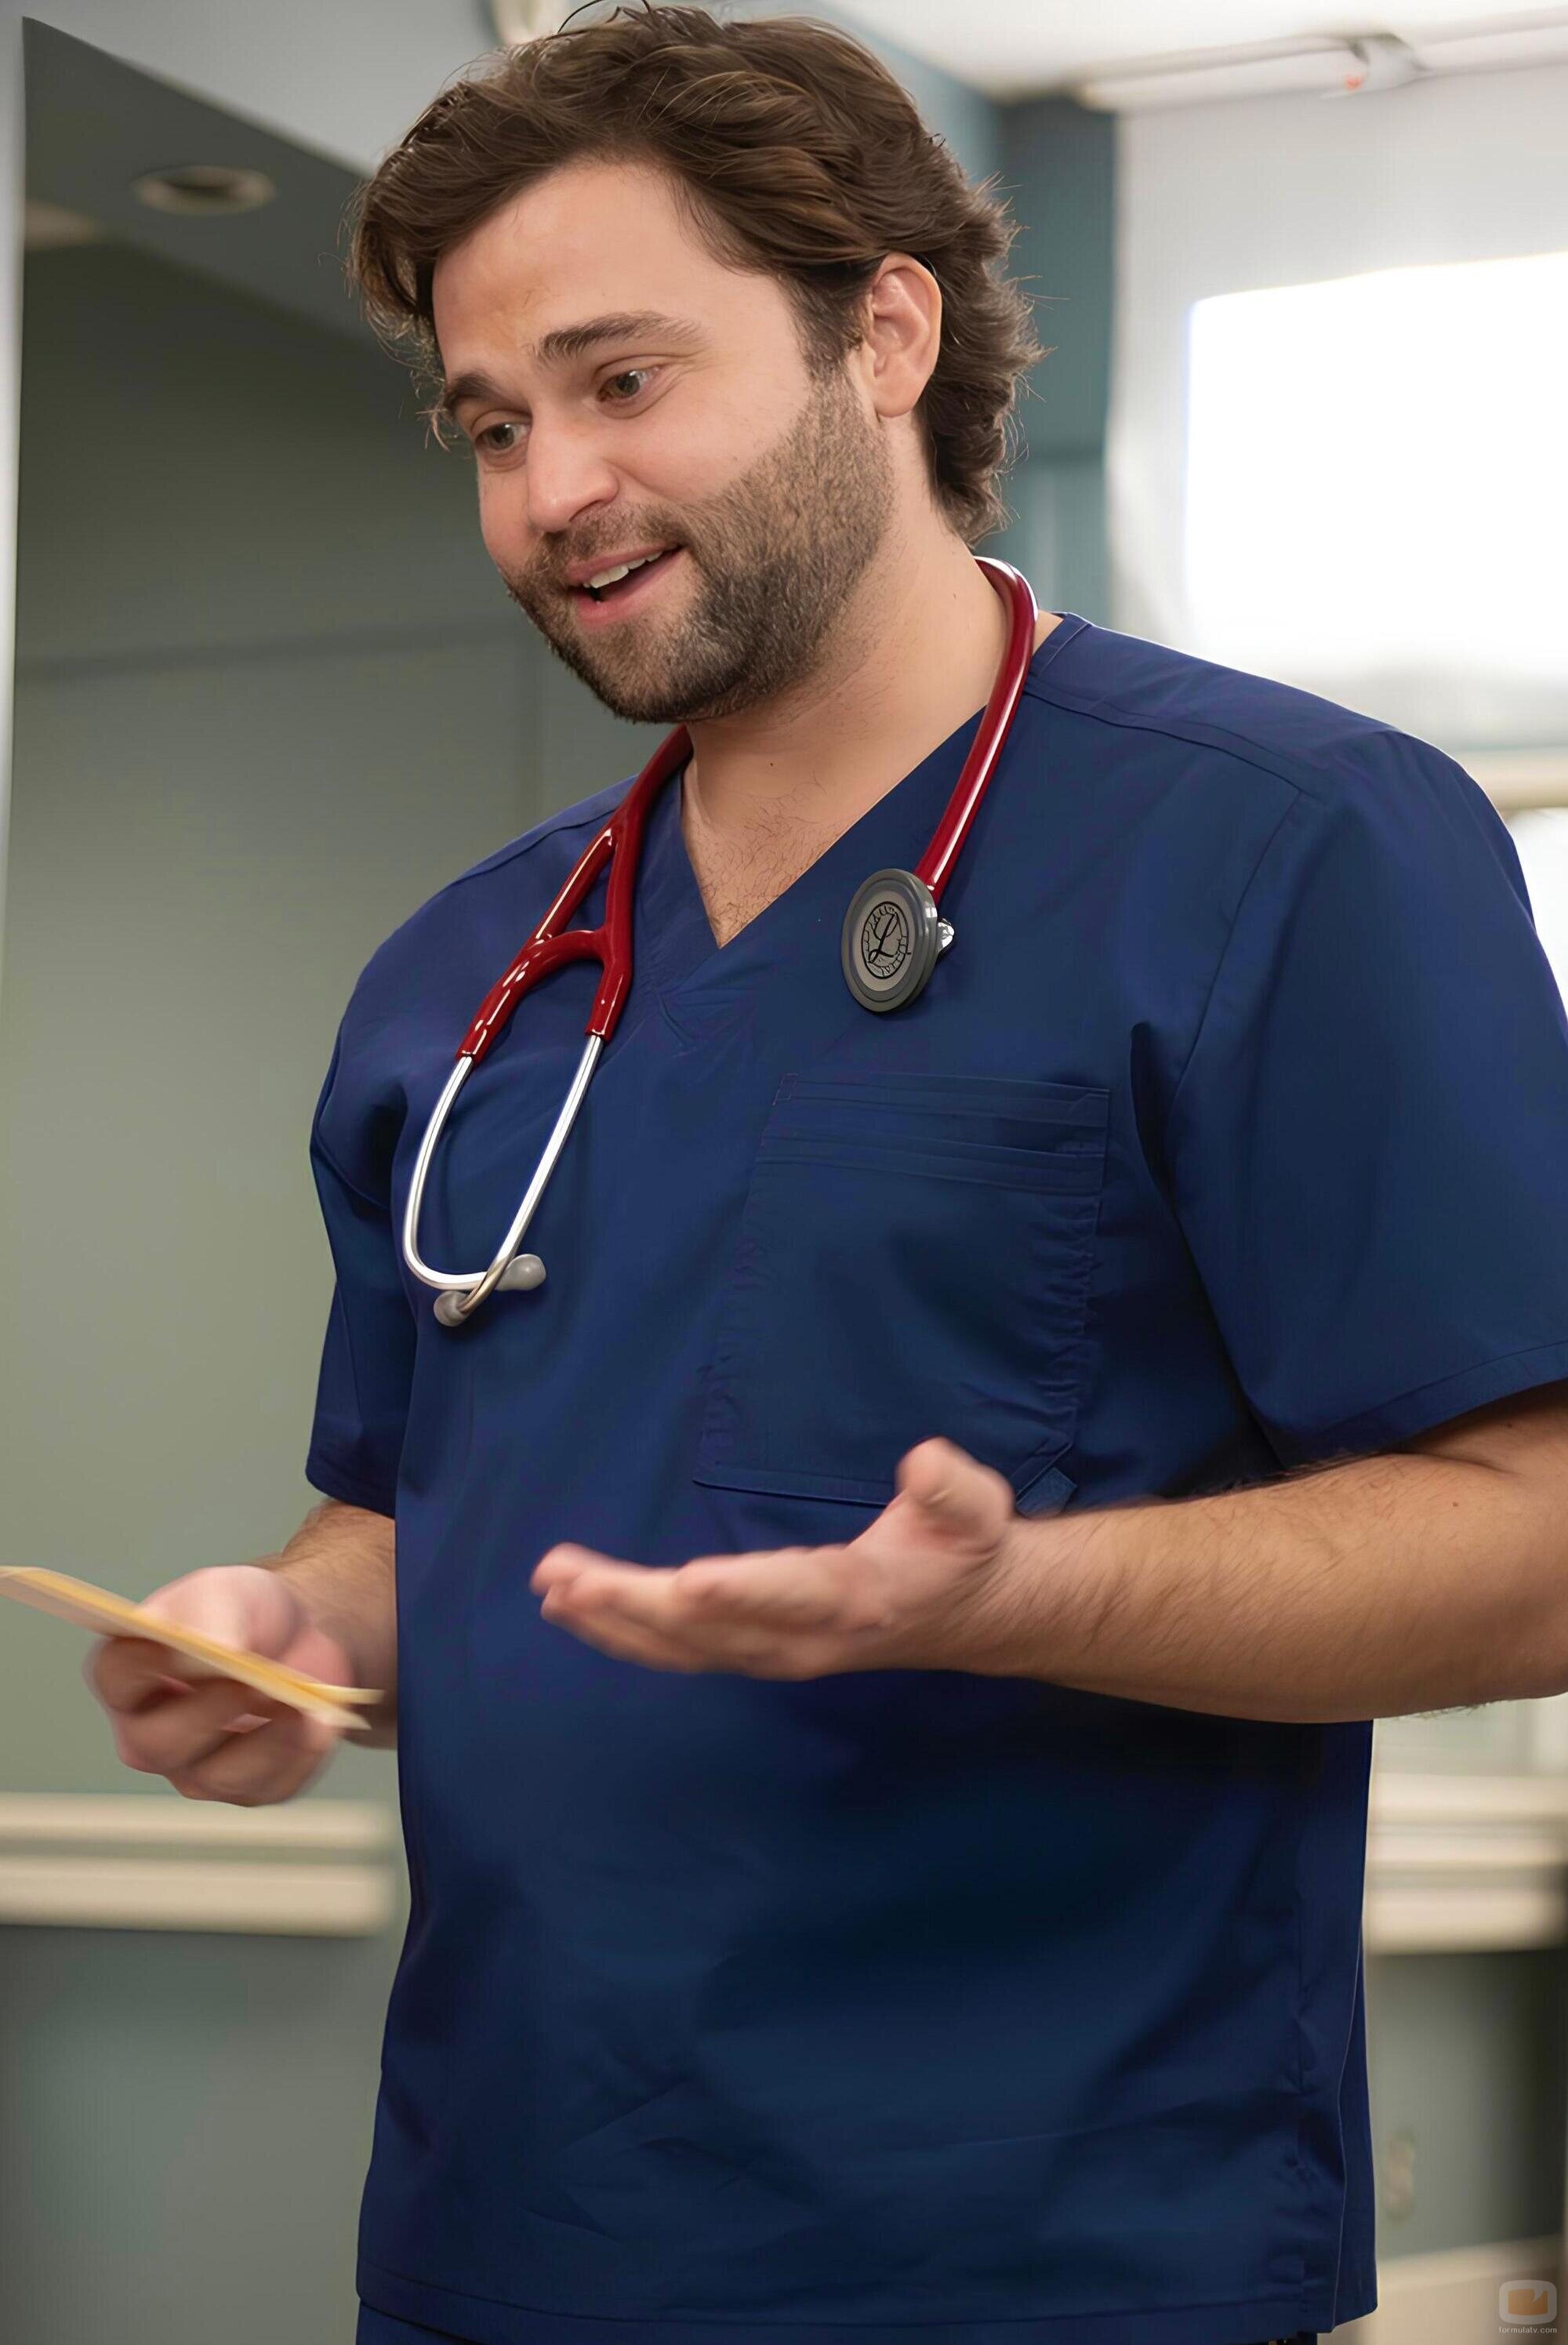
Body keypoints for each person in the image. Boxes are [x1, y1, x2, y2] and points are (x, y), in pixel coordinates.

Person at [84, 9, 1568, 2344]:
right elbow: (403, 1513)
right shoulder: (468, 976)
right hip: (500, 2247)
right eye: (493, 423)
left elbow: (1539, 1534)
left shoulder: (1288, 849)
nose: (549, 485)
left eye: (621, 379)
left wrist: (1000, 1600)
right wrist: (284, 1639)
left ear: (886, 329)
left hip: (1043, 2270)